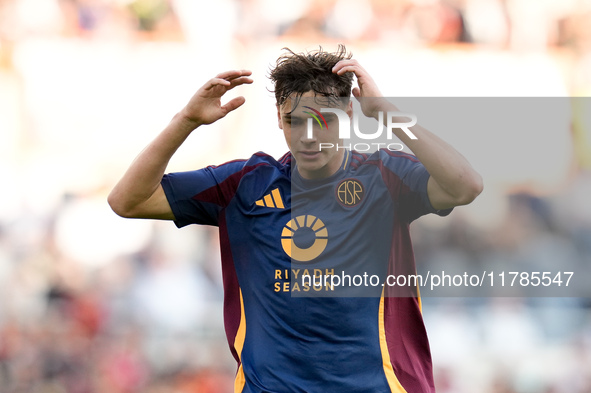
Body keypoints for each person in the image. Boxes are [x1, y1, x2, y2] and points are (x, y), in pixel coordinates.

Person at [108, 45, 483, 393]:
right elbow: (126, 201)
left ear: (347, 114)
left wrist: (387, 114)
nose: (307, 136)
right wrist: (186, 120)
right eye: (294, 121)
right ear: (278, 119)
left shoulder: (384, 175)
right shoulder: (244, 184)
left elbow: (466, 186)